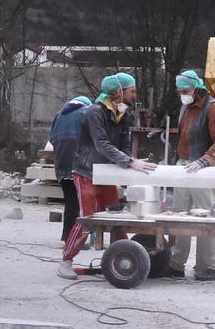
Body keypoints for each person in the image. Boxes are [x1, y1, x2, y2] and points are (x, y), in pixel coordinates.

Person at [59, 72, 155, 278]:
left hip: (106, 174)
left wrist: (133, 162)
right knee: (86, 220)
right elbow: (101, 144)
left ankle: (123, 258)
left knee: (116, 218)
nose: (134, 95)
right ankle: (66, 261)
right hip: (86, 172)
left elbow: (124, 146)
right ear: (118, 92)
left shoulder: (123, 115)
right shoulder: (94, 112)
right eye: (132, 91)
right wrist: (129, 162)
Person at [166, 69, 215, 281]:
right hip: (184, 166)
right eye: (179, 91)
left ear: (196, 88)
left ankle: (209, 265)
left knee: (204, 218)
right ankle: (176, 263)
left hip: (204, 168)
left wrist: (206, 159)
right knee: (179, 216)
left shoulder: (213, 108)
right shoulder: (186, 105)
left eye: (184, 90)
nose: (181, 94)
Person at [48, 95, 91, 244]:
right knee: (80, 202)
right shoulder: (86, 112)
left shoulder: (59, 115)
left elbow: (52, 139)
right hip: (79, 164)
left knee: (70, 200)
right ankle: (77, 238)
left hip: (61, 165)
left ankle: (67, 236)